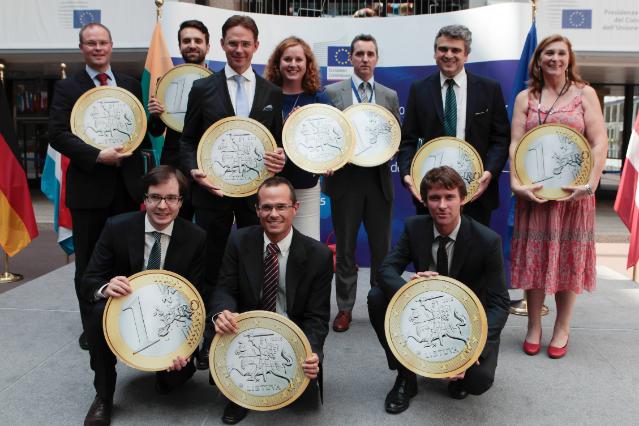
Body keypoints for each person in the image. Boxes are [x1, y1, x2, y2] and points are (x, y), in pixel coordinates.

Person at [179, 15, 286, 368]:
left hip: (256, 197)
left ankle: (252, 333)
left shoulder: (271, 92)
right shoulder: (202, 88)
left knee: (255, 265)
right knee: (211, 266)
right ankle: (210, 338)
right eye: (233, 43)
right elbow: (187, 141)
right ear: (223, 45)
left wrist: (280, 157)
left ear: (256, 46)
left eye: (245, 44)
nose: (239, 49)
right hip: (212, 194)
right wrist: (193, 170)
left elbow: (277, 142)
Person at [368, 166, 509, 414]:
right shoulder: (414, 228)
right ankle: (406, 374)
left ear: (462, 199)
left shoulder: (487, 240)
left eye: (449, 197)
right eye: (434, 198)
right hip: (425, 314)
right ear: (425, 201)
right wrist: (412, 289)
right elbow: (385, 270)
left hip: (466, 322)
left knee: (478, 382)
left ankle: (457, 371)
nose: (442, 205)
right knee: (377, 297)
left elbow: (499, 303)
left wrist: (473, 350)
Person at [48, 23, 149, 351]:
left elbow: (142, 131)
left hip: (126, 189)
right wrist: (96, 156)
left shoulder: (130, 84)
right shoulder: (67, 87)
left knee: (127, 259)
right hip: (89, 191)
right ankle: (92, 327)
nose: (97, 48)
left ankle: (125, 322)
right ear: (82, 48)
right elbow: (57, 134)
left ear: (111, 45)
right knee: (89, 263)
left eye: (102, 42)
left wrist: (154, 119)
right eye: (90, 43)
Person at [81, 166, 206, 425]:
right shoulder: (117, 227)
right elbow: (89, 279)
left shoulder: (196, 237)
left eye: (171, 198)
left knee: (173, 381)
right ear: (145, 198)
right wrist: (106, 287)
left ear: (181, 202)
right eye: (155, 197)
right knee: (97, 313)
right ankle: (103, 396)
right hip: (126, 311)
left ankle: (170, 372)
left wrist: (186, 345)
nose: (162, 206)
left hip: (169, 319)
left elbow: (197, 295)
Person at [509, 35, 607, 359]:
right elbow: (516, 143)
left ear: (569, 58)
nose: (555, 58)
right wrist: (517, 183)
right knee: (534, 260)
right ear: (538, 59)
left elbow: (599, 142)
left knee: (568, 260)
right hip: (535, 196)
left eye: (561, 53)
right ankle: (534, 326)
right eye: (548, 53)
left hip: (572, 197)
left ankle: (562, 328)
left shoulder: (584, 94)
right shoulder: (526, 98)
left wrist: (590, 185)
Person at [211, 176, 333, 424]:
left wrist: (313, 352)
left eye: (281, 207)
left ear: (295, 208)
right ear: (257, 210)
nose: (273, 214)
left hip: (292, 336)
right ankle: (238, 394)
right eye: (266, 207)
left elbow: (317, 317)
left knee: (303, 402)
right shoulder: (238, 241)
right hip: (245, 334)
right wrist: (222, 313)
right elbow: (224, 289)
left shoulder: (318, 255)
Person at [324, 34, 401, 333]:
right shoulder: (333, 93)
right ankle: (344, 308)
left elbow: (396, 134)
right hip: (346, 182)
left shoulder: (389, 95)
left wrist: (391, 147)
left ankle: (379, 306)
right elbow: (327, 135)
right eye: (359, 54)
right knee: (345, 250)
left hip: (378, 182)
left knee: (382, 249)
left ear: (376, 58)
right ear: (351, 58)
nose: (365, 59)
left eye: (370, 54)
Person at [398, 24, 509, 226]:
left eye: (456, 50)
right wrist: (407, 174)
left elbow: (500, 139)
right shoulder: (419, 89)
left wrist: (489, 173)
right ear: (435, 53)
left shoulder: (489, 89)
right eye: (443, 49)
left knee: (473, 246)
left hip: (476, 192)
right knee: (432, 246)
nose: (449, 55)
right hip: (431, 193)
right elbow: (408, 140)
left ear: (466, 55)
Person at [264, 36, 332, 240]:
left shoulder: (318, 97)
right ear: (278, 63)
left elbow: (331, 139)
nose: (293, 64)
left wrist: (330, 161)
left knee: (308, 244)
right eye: (287, 59)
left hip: (306, 185)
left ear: (307, 64)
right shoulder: (265, 94)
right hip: (270, 184)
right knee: (272, 244)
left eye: (299, 59)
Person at [147, 19, 211, 221]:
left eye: (197, 41)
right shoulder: (165, 82)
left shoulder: (219, 83)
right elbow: (155, 131)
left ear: (207, 46)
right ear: (180, 46)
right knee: (174, 227)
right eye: (186, 41)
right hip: (175, 168)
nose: (192, 45)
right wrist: (155, 114)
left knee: (209, 228)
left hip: (209, 164)